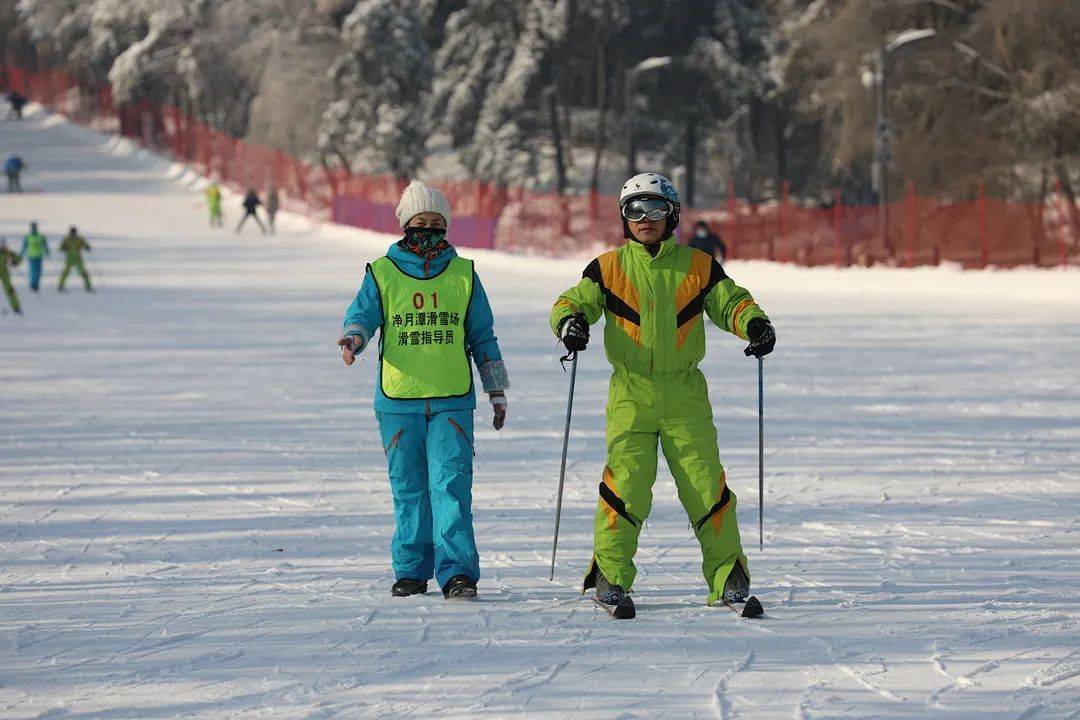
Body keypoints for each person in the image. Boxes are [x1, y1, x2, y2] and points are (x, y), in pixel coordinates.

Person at [549, 172, 776, 619]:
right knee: (627, 486)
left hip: (684, 393)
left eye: (654, 208)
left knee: (705, 484)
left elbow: (732, 302)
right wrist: (570, 323)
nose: (644, 218)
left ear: (672, 215)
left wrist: (754, 322)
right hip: (631, 393)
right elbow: (571, 302)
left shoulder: (698, 266)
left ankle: (728, 575)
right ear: (623, 217)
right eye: (634, 210)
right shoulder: (607, 268)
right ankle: (610, 575)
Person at [337, 180, 509, 601]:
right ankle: (411, 569)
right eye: (419, 221)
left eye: (436, 222)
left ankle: (458, 573)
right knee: (409, 487)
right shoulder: (382, 272)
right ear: (404, 225)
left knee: (450, 486)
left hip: (452, 399)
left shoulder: (464, 274)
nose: (428, 229)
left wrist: (496, 391)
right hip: (398, 402)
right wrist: (353, 339)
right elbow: (363, 315)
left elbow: (483, 337)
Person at [58, 226, 92, 292]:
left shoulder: (79, 239)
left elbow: (85, 245)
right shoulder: (67, 239)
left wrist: (87, 247)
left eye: (74, 232)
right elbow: (61, 247)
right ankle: (60, 285)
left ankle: (88, 286)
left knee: (83, 272)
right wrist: (63, 248)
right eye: (72, 232)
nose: (73, 234)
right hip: (69, 258)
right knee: (65, 272)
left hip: (77, 258)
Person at [20, 222, 49, 292]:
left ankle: (36, 284)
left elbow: (45, 245)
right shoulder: (27, 237)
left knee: (38, 271)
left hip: (39, 256)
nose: (34, 229)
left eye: (35, 227)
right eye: (33, 227)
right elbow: (24, 246)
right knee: (33, 271)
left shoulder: (41, 236)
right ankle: (33, 284)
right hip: (31, 256)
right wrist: (21, 255)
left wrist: (47, 251)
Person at [0, 238, 22, 314]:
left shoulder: (7, 252)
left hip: (4, 274)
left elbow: (18, 258)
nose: (2, 248)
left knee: (10, 290)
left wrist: (15, 261)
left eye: (3, 246)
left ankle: (16, 306)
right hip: (4, 273)